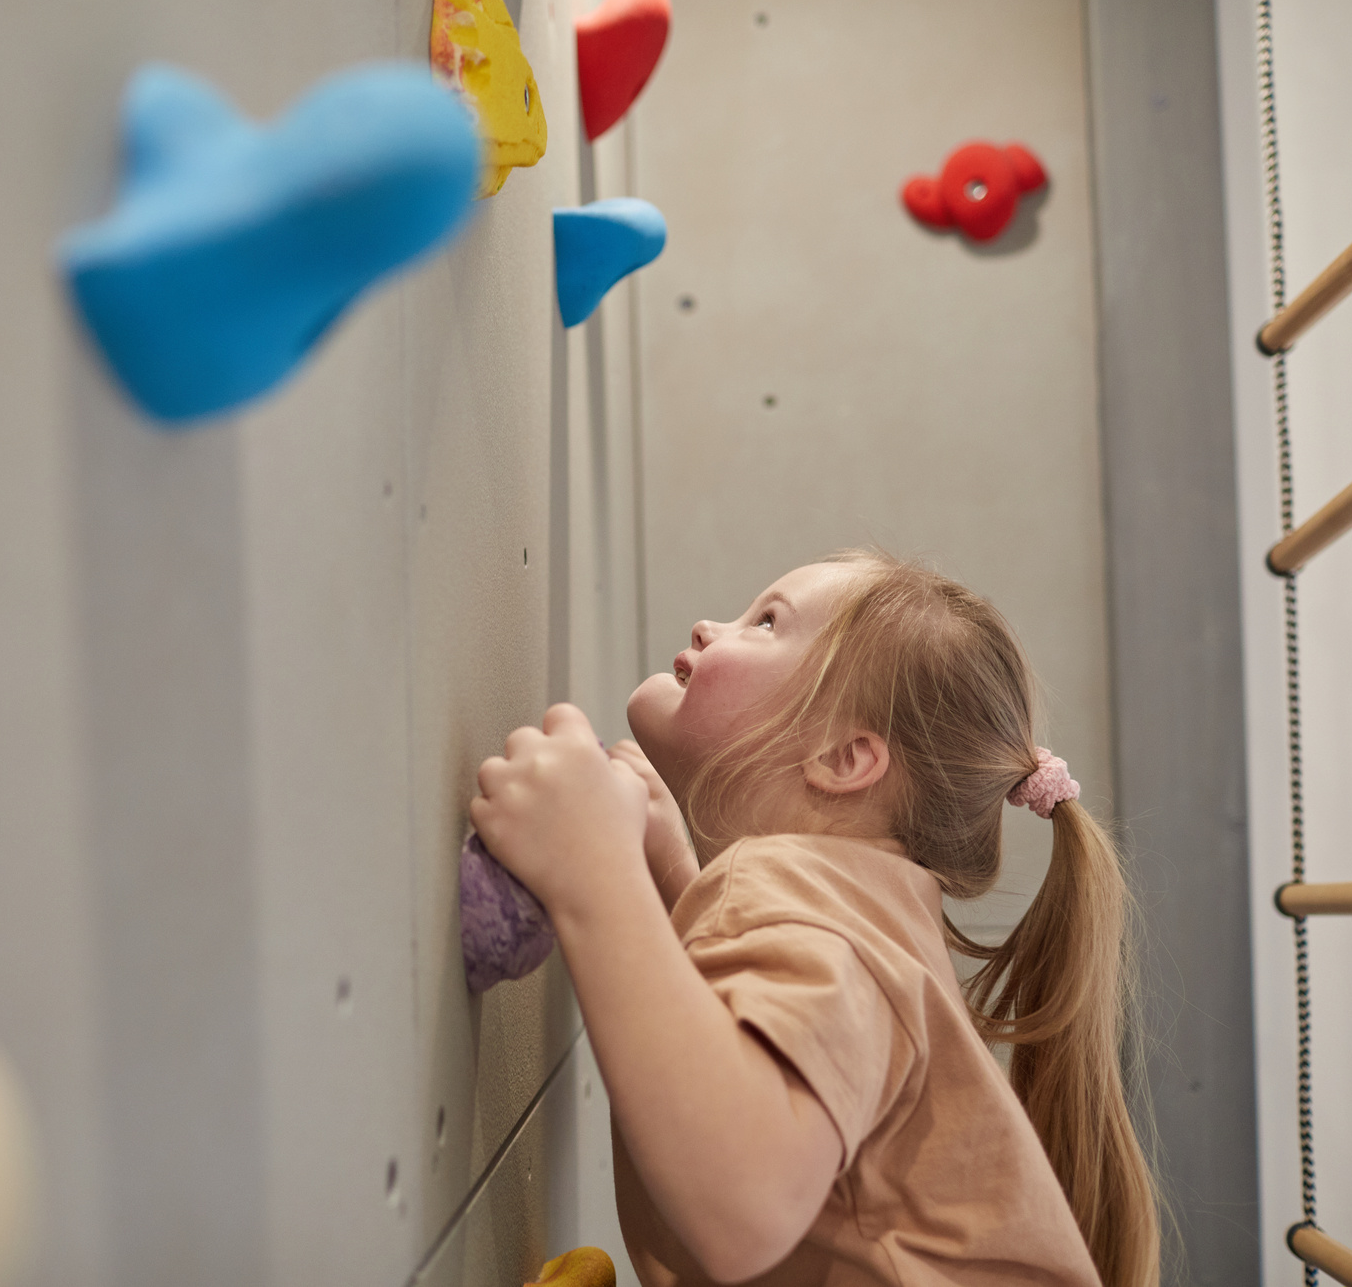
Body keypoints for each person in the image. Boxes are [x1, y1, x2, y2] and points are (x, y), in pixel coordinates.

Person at [470, 551, 1159, 1287]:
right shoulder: (856, 910)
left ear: (844, 758)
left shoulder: (818, 913)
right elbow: (746, 1037)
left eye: (766, 622)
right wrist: (673, 878)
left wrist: (594, 872)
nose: (709, 627)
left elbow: (744, 1206)